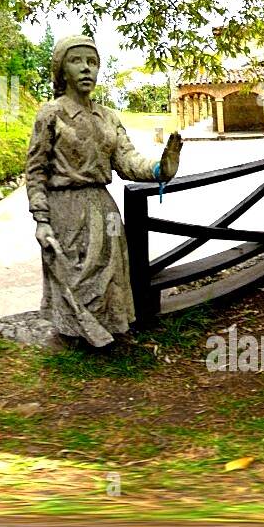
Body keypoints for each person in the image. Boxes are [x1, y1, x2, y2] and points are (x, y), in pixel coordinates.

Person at [26, 34, 181, 347]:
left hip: (103, 207)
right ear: (61, 69)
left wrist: (160, 168)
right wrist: (41, 219)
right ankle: (75, 334)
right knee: (74, 271)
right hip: (65, 209)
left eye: (92, 62)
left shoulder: (108, 116)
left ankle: (106, 332)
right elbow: (35, 170)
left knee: (107, 275)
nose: (86, 69)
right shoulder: (51, 115)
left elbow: (126, 159)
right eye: (76, 61)